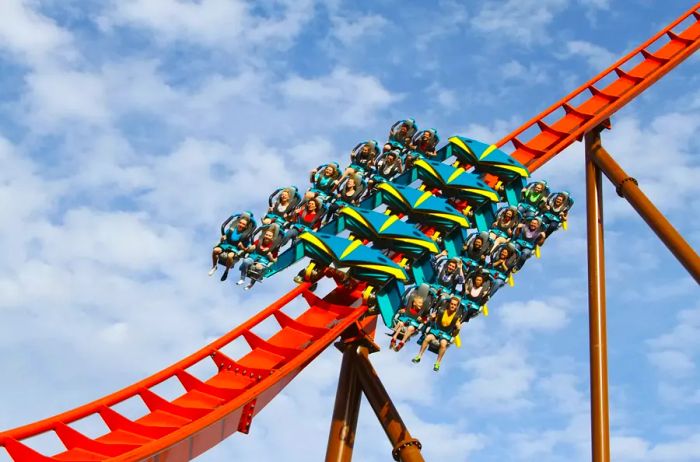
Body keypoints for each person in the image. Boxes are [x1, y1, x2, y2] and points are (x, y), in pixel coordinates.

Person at [412, 296, 463, 372]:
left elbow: (454, 334)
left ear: (456, 307)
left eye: (455, 305)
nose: (452, 306)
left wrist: (458, 329)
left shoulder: (457, 318)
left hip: (445, 335)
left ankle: (437, 363)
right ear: (449, 304)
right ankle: (419, 356)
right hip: (436, 331)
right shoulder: (441, 311)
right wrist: (431, 317)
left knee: (443, 344)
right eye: (451, 304)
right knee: (428, 338)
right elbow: (430, 319)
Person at [209, 212, 255, 281]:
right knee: (215, 250)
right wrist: (222, 239)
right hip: (226, 246)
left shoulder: (246, 236)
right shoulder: (231, 230)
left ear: (246, 226)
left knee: (230, 256)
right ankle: (214, 267)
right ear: (238, 222)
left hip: (235, 249)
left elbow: (247, 250)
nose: (241, 225)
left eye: (243, 224)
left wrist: (242, 247)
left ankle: (226, 271)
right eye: (240, 223)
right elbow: (223, 240)